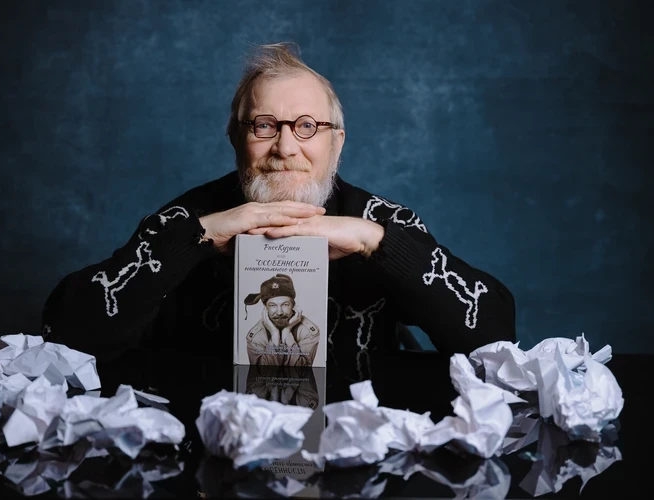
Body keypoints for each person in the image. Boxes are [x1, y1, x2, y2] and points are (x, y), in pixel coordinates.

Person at [42, 42, 516, 365]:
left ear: (337, 143)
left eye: (307, 126)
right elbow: (62, 332)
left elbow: (496, 336)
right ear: (237, 138)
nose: (285, 147)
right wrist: (195, 240)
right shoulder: (186, 219)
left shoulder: (381, 222)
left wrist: (376, 243)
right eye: (264, 125)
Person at [244, 274, 320, 366]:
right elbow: (261, 372)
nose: (279, 312)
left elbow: (301, 371)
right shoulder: (256, 336)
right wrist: (274, 336)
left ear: (293, 305)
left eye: (285, 304)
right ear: (265, 307)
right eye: (272, 305)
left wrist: (287, 331)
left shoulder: (308, 331)